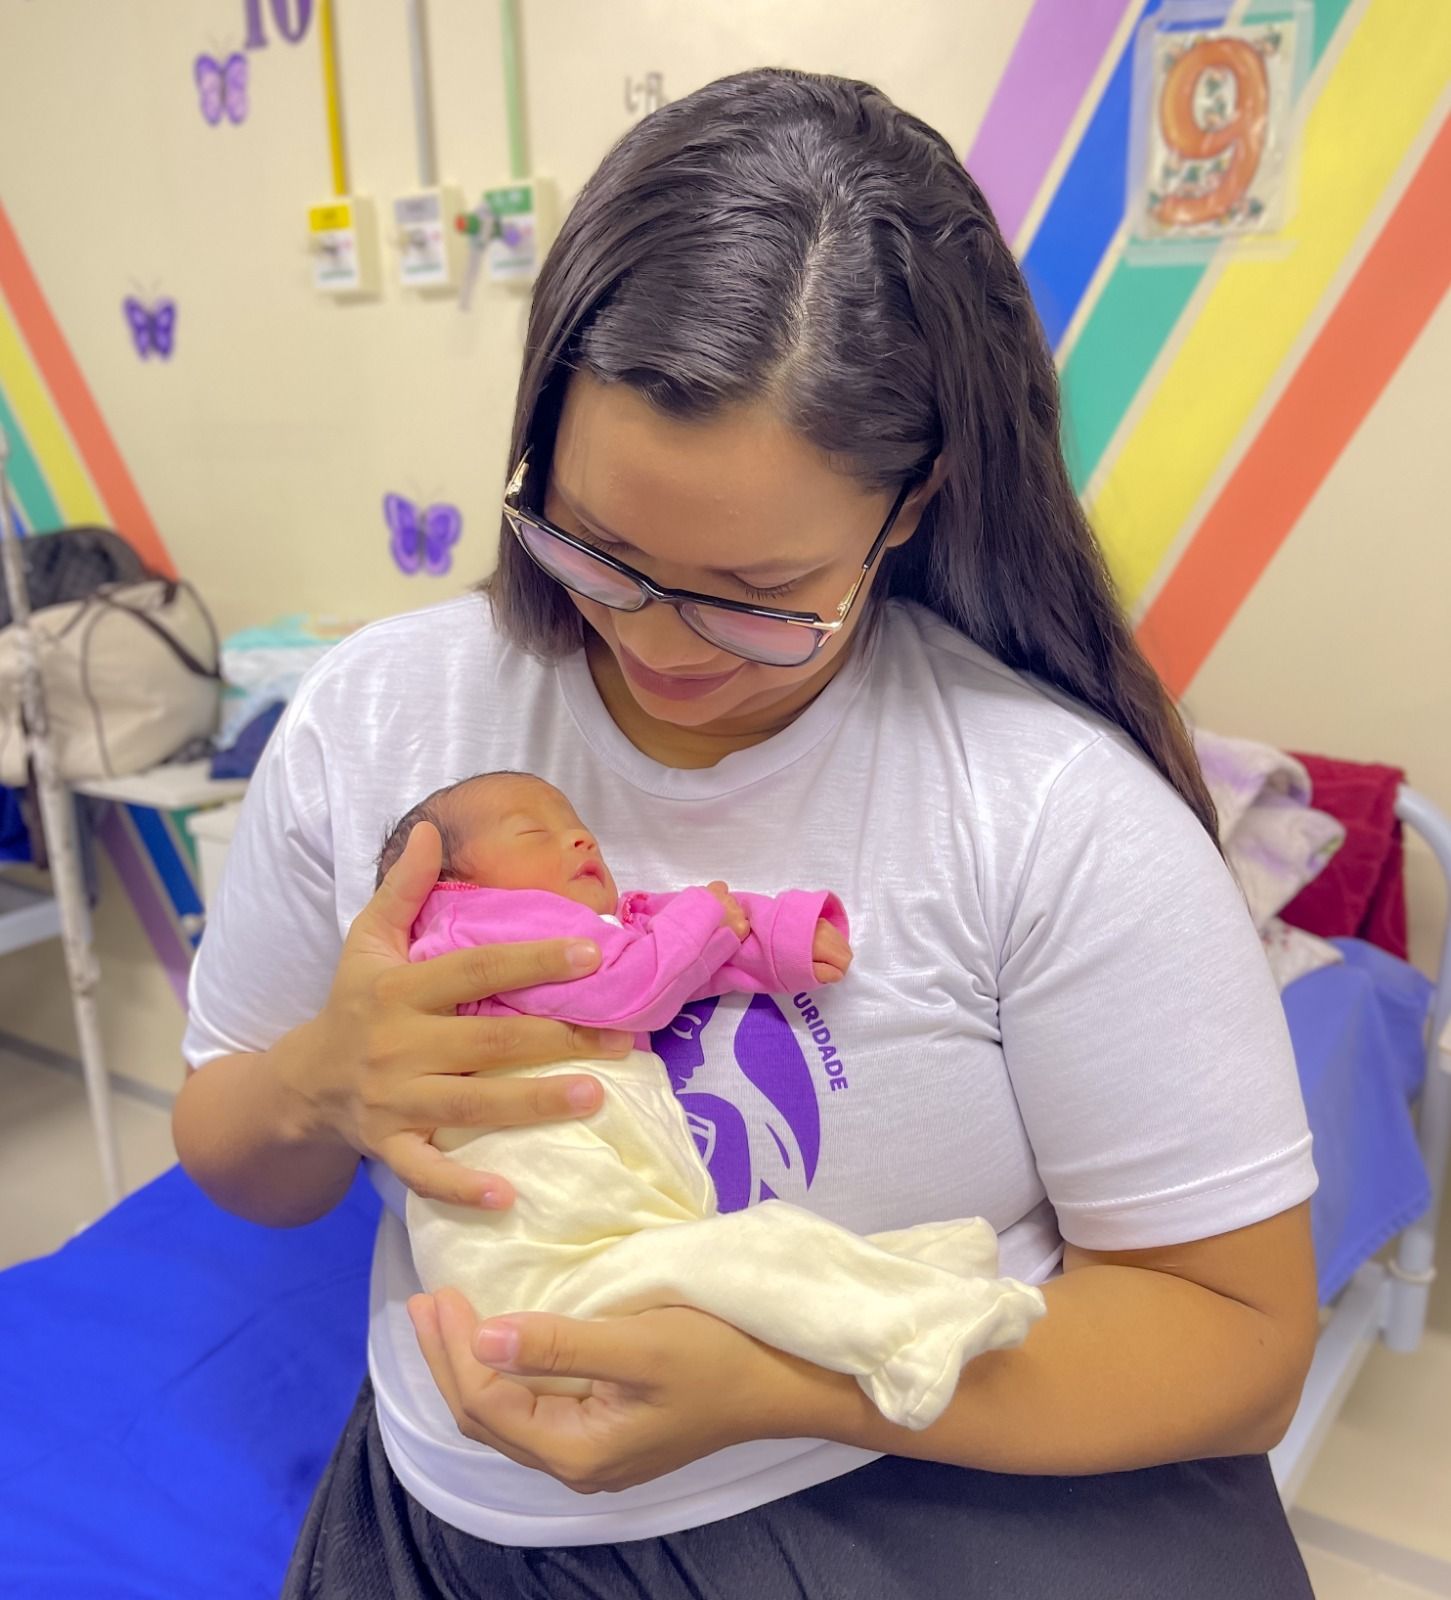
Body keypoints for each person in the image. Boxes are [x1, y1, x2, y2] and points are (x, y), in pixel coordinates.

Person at [173, 66, 1320, 1599]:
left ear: (909, 507)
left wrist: (785, 1382)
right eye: (596, 546)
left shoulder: (1050, 815)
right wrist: (322, 1081)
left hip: (889, 1499)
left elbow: (1240, 1342)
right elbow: (236, 1154)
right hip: (455, 1519)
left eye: (758, 596)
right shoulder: (374, 718)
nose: (654, 642)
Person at [392, 769, 1045, 1429]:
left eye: (581, 830)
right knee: (746, 1252)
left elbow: (670, 947)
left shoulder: (583, 928)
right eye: (536, 833)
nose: (582, 842)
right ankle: (907, 1341)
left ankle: (913, 1285)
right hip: (537, 1255)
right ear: (449, 881)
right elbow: (634, 984)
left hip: (593, 1243)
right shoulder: (471, 926)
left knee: (732, 1264)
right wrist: (707, 915)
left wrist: (776, 938)